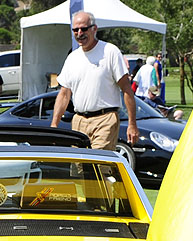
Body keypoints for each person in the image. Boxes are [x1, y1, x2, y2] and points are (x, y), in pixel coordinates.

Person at [49, 10, 139, 151]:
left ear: (94, 29)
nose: (80, 33)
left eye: (84, 29)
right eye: (76, 30)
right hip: (79, 121)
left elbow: (127, 90)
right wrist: (54, 125)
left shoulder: (110, 52)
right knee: (79, 168)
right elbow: (64, 94)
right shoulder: (72, 58)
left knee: (98, 166)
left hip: (105, 120)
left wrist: (132, 124)